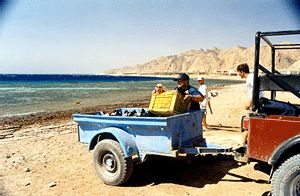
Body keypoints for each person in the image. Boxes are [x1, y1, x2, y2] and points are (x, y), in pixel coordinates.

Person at [236, 63, 264, 146]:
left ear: (242, 71)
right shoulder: (251, 77)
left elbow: (256, 90)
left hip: (257, 102)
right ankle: (246, 142)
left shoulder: (250, 78)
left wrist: (249, 102)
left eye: (239, 72)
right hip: (257, 101)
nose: (239, 75)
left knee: (247, 123)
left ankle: (242, 143)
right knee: (250, 122)